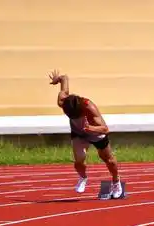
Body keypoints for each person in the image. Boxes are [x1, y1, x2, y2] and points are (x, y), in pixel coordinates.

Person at [48, 70, 123, 199]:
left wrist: (90, 128)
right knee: (79, 160)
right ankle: (83, 177)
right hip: (78, 133)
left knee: (108, 159)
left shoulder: (90, 108)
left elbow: (105, 129)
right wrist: (58, 79)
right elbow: (65, 77)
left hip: (95, 132)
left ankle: (116, 182)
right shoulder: (62, 101)